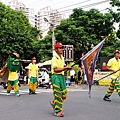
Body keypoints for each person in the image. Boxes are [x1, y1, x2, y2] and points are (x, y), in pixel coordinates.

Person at [50, 42, 72, 117]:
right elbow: (56, 69)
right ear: (56, 49)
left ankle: (54, 102)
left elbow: (62, 68)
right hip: (55, 76)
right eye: (59, 48)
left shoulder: (62, 57)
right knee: (58, 94)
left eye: (62, 48)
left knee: (64, 94)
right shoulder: (54, 58)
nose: (61, 49)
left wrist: (66, 67)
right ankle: (57, 111)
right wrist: (65, 68)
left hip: (61, 77)